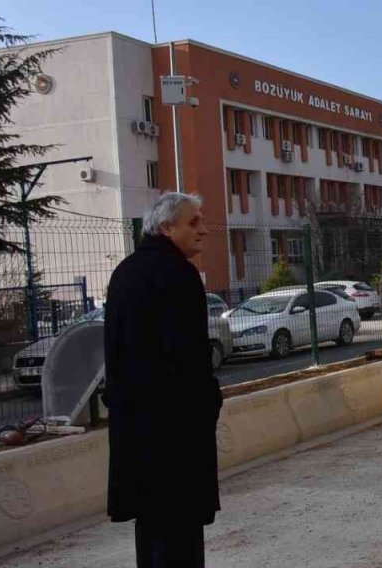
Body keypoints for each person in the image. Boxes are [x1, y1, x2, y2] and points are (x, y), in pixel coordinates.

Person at [103, 192, 222, 568]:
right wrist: (208, 404)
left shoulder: (126, 271)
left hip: (136, 429)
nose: (203, 230)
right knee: (180, 535)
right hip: (175, 433)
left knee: (151, 528)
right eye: (193, 222)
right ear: (167, 228)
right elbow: (188, 360)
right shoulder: (178, 274)